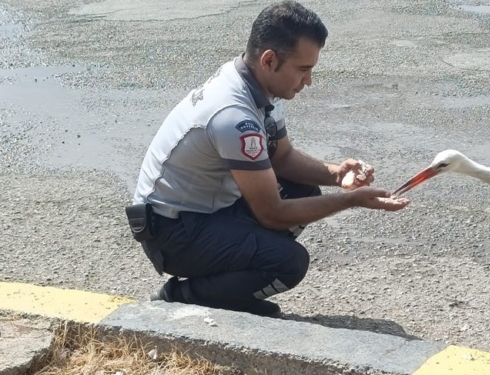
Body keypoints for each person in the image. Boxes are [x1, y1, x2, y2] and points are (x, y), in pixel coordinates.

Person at [127, 0, 409, 318]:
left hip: (198, 213)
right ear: (270, 60)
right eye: (303, 69)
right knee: (288, 263)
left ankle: (228, 280)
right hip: (170, 234)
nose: (309, 81)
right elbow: (272, 215)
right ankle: (181, 295)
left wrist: (335, 173)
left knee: (303, 191)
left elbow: (282, 157)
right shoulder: (233, 114)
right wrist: (352, 201)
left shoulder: (258, 85)